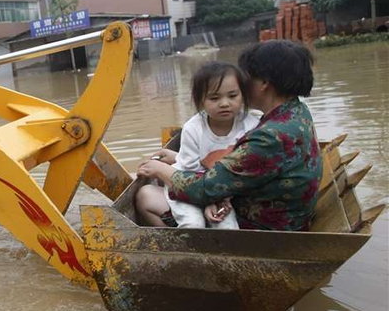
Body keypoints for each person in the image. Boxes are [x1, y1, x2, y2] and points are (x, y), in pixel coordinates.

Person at [136, 40, 321, 232]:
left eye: (245, 76)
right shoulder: (296, 112)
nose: (242, 83)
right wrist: (178, 158)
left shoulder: (269, 137)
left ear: (264, 83)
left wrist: (158, 169)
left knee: (146, 195)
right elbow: (248, 164)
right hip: (282, 216)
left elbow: (204, 188)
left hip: (260, 230)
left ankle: (193, 254)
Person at [136, 61, 260, 229]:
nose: (224, 103)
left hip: (224, 192)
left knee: (228, 228)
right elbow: (187, 176)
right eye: (214, 98)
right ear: (200, 101)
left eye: (232, 96)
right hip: (187, 188)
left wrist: (218, 200)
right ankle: (185, 253)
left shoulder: (252, 125)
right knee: (193, 224)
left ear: (243, 96)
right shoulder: (193, 129)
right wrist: (207, 201)